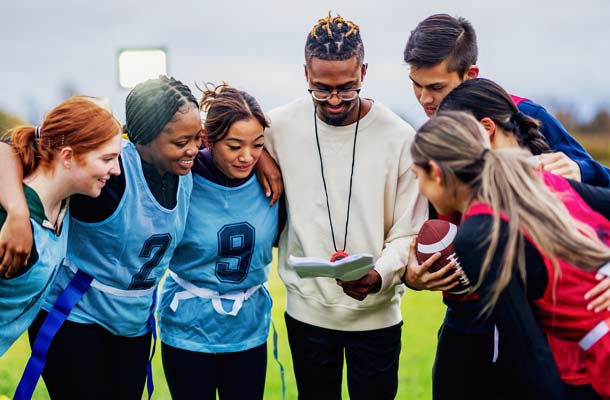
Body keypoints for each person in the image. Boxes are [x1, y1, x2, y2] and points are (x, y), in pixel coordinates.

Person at [0, 75, 201, 399]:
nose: (193, 149)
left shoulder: (186, 167)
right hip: (76, 318)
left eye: (197, 138)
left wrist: (265, 163)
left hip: (133, 325)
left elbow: (234, 148)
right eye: (181, 142)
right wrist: (18, 213)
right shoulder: (103, 169)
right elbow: (11, 148)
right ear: (141, 140)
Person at [261, 12, 428, 400]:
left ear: (364, 73)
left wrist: (379, 275)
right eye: (321, 89)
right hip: (307, 315)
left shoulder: (401, 138)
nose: (334, 100)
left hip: (377, 318)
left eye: (346, 88)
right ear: (306, 74)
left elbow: (408, 231)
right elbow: (216, 133)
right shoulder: (276, 126)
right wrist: (262, 158)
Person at [411, 111, 610, 399]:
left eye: (418, 176)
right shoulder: (533, 181)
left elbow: (530, 352)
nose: (419, 187)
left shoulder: (478, 233)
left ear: (436, 172)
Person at [157, 83, 278, 400]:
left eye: (257, 145)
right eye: (235, 146)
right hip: (187, 326)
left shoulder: (273, 178)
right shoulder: (181, 176)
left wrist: (263, 158)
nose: (247, 156)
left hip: (248, 328)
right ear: (207, 140)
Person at [403, 13, 610, 187]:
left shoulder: (526, 114)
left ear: (471, 74)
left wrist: (580, 170)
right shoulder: (427, 137)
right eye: (417, 85)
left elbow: (604, 181)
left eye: (437, 87)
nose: (424, 99)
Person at [0, 97, 122, 356]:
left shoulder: (61, 201)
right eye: (107, 159)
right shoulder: (9, 222)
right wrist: (17, 214)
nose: (117, 170)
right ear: (67, 156)